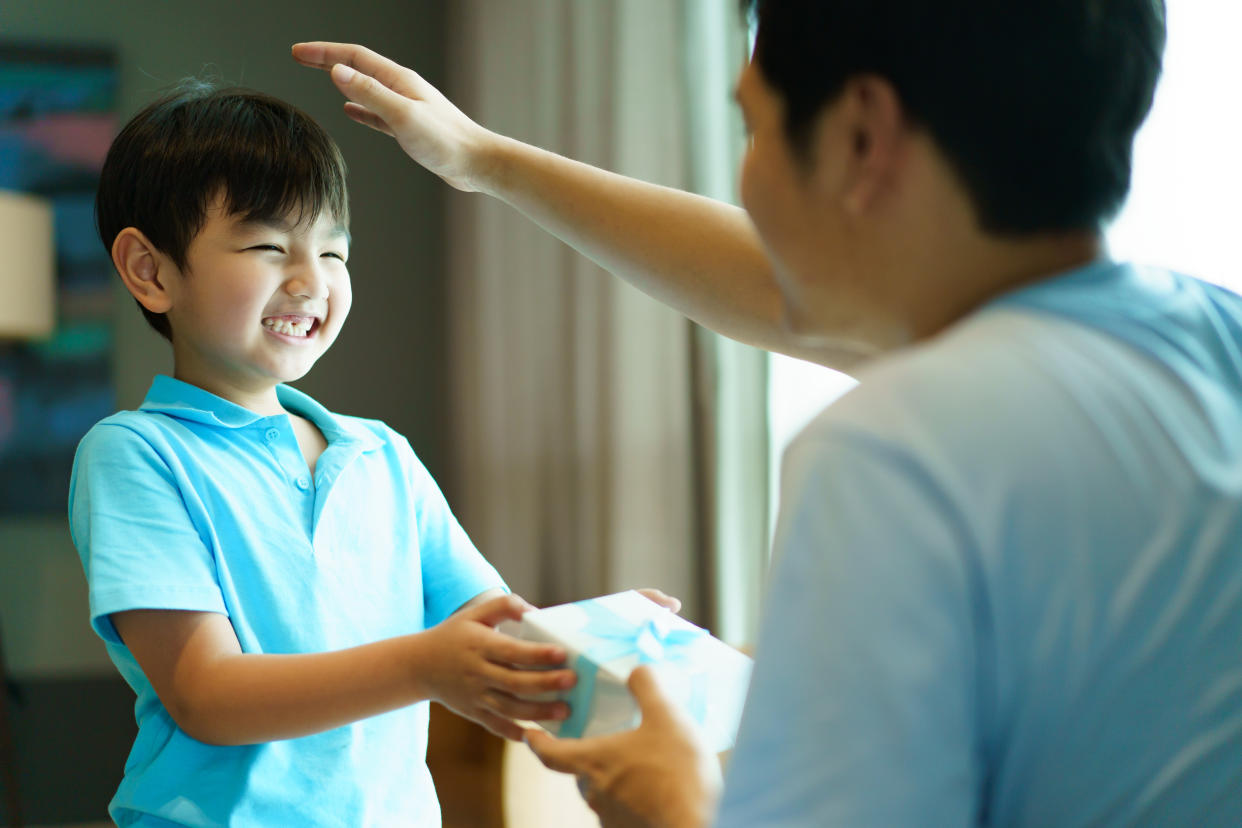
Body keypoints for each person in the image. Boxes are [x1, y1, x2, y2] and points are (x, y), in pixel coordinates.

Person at [292, 0, 1242, 824]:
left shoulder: (896, 450)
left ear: (861, 137)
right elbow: (776, 283)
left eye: (751, 129)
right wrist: (485, 160)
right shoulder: (1213, 343)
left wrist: (666, 803)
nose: (746, 181)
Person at [70, 81, 679, 827]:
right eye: (268, 246)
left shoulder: (380, 455)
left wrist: (603, 636)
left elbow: (490, 628)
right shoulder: (134, 455)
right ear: (150, 271)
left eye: (334, 251)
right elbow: (206, 694)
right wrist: (425, 663)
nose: (311, 280)